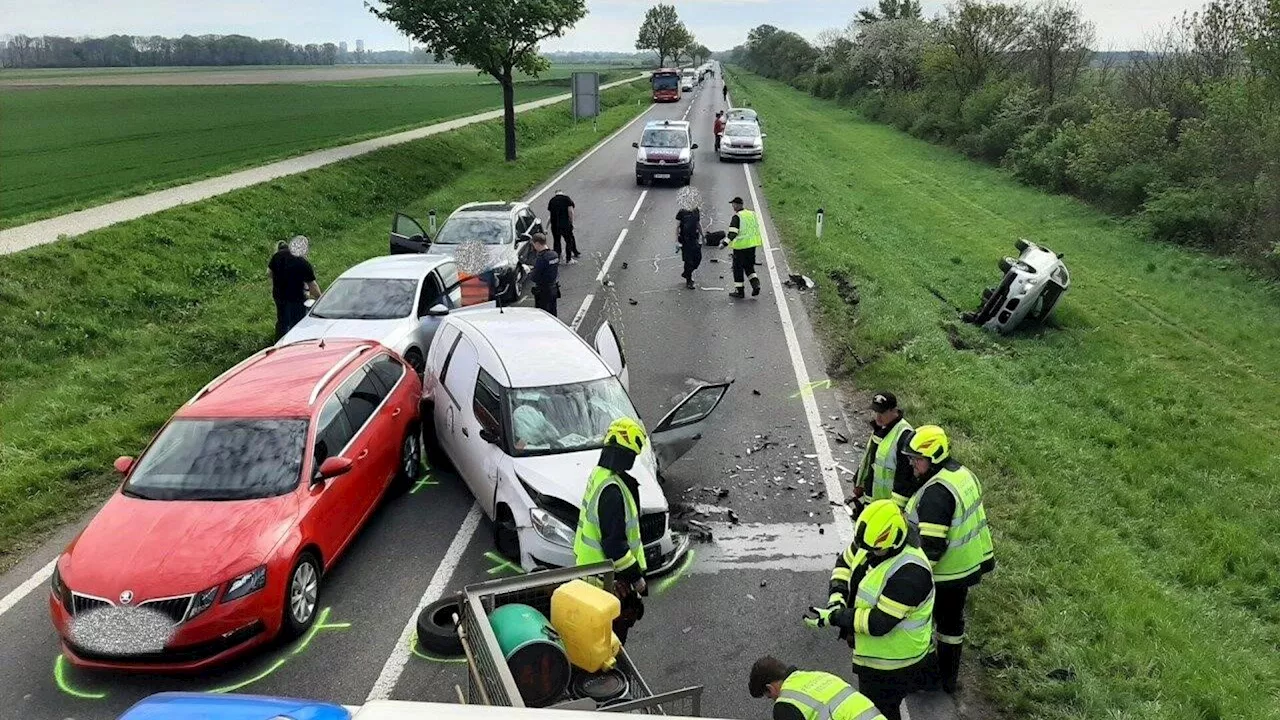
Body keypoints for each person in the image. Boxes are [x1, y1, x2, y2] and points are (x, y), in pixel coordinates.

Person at [807, 500, 935, 720]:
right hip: (876, 656)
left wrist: (837, 617)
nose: (869, 554)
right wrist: (836, 599)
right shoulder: (871, 541)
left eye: (875, 550)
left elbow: (878, 623)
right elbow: (844, 563)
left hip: (894, 663)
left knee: (880, 713)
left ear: (894, 540)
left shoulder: (911, 573)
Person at [900, 425, 995, 695]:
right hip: (967, 564)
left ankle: (929, 679)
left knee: (924, 623)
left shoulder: (934, 494)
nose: (912, 464)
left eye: (916, 459)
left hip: (946, 572)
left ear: (934, 457)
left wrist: (914, 581)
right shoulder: (962, 474)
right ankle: (948, 679)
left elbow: (932, 548)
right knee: (952, 624)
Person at [573, 417, 650, 644]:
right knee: (609, 643)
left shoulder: (600, 476)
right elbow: (614, 546)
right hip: (607, 582)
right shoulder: (613, 492)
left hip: (590, 573)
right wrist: (637, 579)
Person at [748, 656, 887, 720]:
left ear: (770, 688)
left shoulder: (784, 706)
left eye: (769, 696)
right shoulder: (818, 676)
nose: (773, 699)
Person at [853, 392, 914, 510]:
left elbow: (905, 477)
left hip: (888, 506)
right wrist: (859, 483)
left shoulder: (904, 435)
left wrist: (896, 509)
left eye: (882, 413)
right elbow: (869, 458)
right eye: (876, 412)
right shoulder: (882, 427)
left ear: (894, 410)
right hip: (872, 500)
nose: (878, 417)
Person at [268, 235, 321, 341]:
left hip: (279, 295)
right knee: (297, 322)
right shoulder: (303, 263)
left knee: (282, 320)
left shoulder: (278, 256)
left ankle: (279, 342)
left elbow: (269, 273)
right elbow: (313, 286)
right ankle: (295, 341)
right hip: (296, 297)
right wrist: (321, 299)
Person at [722, 197, 762, 299]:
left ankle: (740, 291)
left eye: (733, 204)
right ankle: (755, 284)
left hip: (740, 248)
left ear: (738, 205)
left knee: (737, 269)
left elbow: (733, 233)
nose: (733, 206)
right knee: (749, 267)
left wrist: (724, 243)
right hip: (752, 246)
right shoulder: (751, 214)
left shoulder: (737, 217)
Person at [676, 193, 704, 289]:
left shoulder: (696, 211)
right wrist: (677, 241)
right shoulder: (682, 212)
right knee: (688, 260)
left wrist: (703, 235)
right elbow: (677, 227)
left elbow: (697, 224)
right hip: (685, 240)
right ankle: (689, 280)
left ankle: (686, 273)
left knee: (698, 258)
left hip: (694, 238)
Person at [529, 233, 560, 317]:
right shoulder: (554, 254)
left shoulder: (542, 258)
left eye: (533, 245)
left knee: (543, 314)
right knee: (553, 312)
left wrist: (529, 272)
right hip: (553, 288)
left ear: (537, 244)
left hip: (543, 291)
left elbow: (535, 277)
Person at [547, 189, 579, 263]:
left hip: (554, 225)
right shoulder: (566, 199)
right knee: (569, 241)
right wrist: (571, 222)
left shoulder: (552, 200)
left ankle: (557, 257)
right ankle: (569, 259)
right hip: (565, 225)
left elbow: (550, 215)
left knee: (557, 241)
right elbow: (570, 212)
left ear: (555, 194)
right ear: (562, 193)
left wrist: (547, 227)